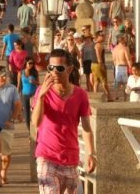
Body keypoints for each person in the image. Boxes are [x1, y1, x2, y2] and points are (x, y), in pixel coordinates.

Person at [33, 49, 97, 194]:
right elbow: (36, 122)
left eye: (59, 68)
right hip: (46, 156)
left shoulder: (80, 94)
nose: (54, 72)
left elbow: (87, 128)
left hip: (70, 158)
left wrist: (91, 154)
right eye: (51, 68)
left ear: (69, 69)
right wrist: (41, 96)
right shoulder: (42, 92)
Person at [16, 58, 38, 129]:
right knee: (26, 114)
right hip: (25, 95)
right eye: (30, 63)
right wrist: (17, 96)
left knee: (34, 112)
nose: (31, 65)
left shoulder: (34, 72)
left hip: (33, 95)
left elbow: (38, 84)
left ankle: (35, 129)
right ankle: (29, 130)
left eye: (32, 63)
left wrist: (34, 82)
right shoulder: (20, 73)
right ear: (26, 63)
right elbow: (19, 85)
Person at [112, 35, 134, 101]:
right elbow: (128, 59)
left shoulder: (114, 49)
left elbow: (113, 59)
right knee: (125, 83)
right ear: (121, 40)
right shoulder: (125, 48)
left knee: (117, 83)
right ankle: (125, 98)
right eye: (124, 39)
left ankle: (116, 95)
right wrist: (131, 68)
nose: (125, 40)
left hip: (117, 67)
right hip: (124, 66)